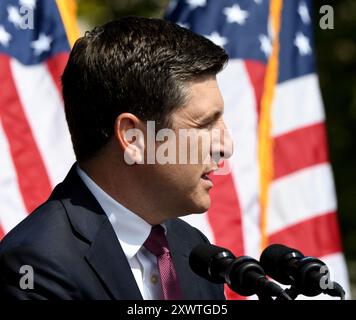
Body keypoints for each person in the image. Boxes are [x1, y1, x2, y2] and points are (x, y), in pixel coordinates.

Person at [0, 17, 233, 300]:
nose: (225, 147)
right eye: (205, 124)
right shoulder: (34, 265)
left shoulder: (192, 249)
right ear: (133, 138)